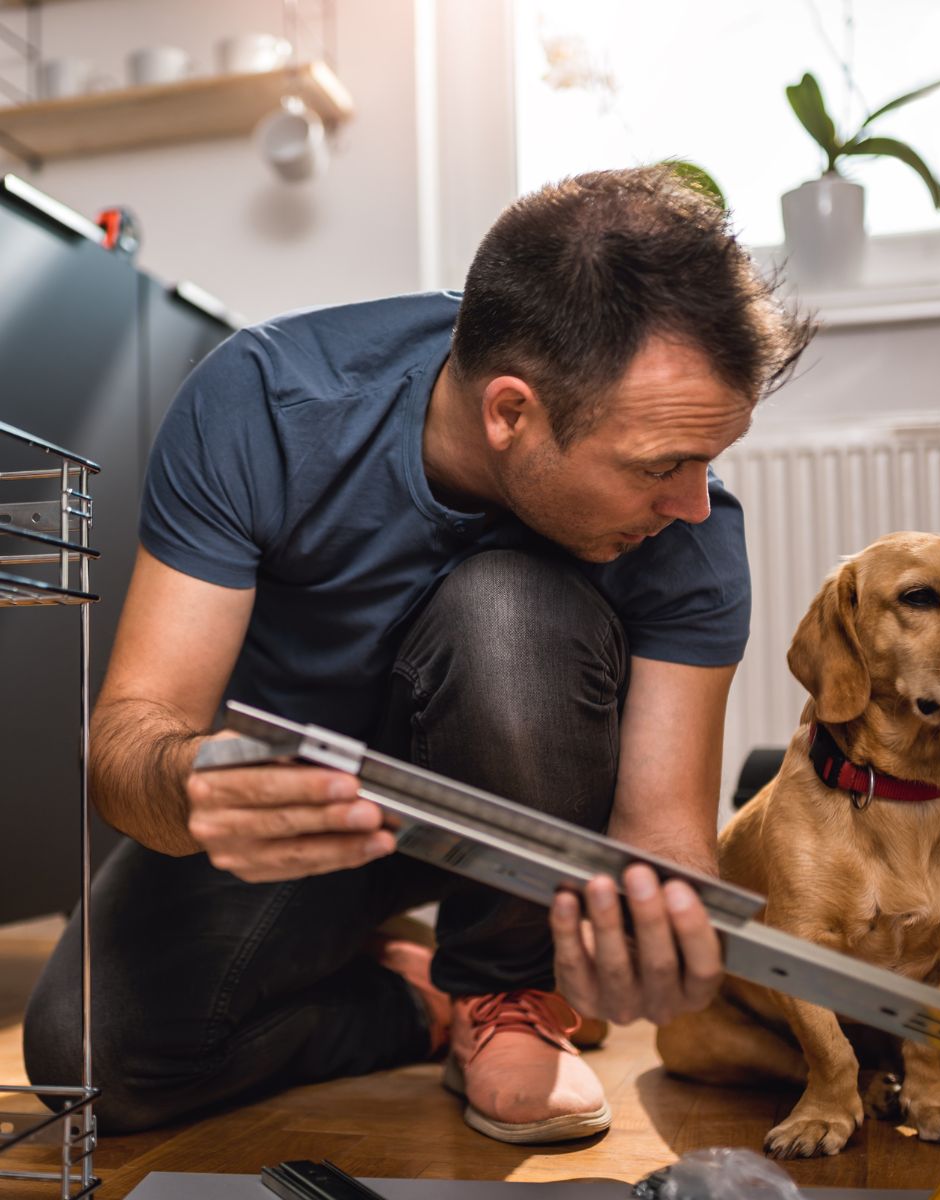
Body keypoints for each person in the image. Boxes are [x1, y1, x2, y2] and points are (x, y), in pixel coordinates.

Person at [24, 166, 813, 1144]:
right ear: (511, 413)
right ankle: (412, 999)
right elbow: (129, 738)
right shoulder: (268, 402)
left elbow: (664, 830)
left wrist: (652, 928)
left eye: (710, 461)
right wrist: (194, 785)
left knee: (505, 606)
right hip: (309, 820)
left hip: (527, 831)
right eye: (661, 466)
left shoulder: (689, 528)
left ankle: (505, 991)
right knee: (90, 1060)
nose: (694, 503)